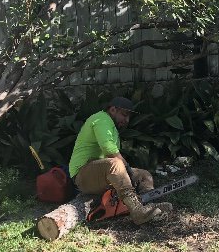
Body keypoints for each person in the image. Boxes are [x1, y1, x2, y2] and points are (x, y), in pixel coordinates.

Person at [69, 96, 171, 225]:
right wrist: (126, 168)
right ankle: (138, 211)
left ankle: (149, 207)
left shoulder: (109, 124)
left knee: (144, 175)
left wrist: (129, 172)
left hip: (101, 174)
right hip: (83, 175)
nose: (127, 120)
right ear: (112, 109)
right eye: (124, 115)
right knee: (116, 163)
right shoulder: (101, 119)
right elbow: (109, 149)